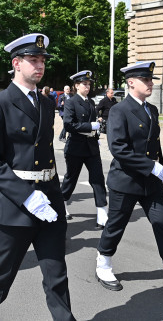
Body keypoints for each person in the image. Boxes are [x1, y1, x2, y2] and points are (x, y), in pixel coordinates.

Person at [0, 33, 74, 321]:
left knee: (56, 269)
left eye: (42, 60)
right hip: (18, 203)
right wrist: (27, 196)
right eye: (33, 60)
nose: (40, 65)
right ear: (16, 63)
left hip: (49, 198)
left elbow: (45, 153)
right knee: (5, 265)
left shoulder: (45, 104)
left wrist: (55, 197)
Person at [95, 61, 163, 298]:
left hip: (151, 184)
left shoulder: (151, 109)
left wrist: (159, 164)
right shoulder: (118, 111)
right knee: (116, 226)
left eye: (151, 80)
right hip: (126, 181)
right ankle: (103, 264)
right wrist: (150, 165)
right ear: (131, 82)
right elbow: (118, 148)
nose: (151, 83)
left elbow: (155, 142)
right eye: (146, 80)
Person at [61, 70, 108, 228]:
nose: (87, 87)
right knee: (71, 179)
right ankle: (62, 203)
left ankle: (102, 214)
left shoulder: (90, 102)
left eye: (89, 84)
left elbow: (92, 123)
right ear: (76, 85)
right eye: (84, 84)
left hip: (91, 147)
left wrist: (95, 135)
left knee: (98, 179)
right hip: (76, 146)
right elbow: (68, 124)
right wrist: (90, 126)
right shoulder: (71, 102)